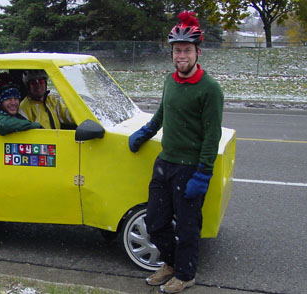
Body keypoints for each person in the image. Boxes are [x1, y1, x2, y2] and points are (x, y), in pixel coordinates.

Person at [128, 11, 223, 294]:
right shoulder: (170, 81)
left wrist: (203, 172)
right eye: (177, 50)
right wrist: (146, 131)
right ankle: (170, 263)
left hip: (190, 168)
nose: (182, 55)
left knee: (187, 227)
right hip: (165, 162)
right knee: (155, 222)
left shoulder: (210, 89)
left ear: (198, 52)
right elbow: (162, 113)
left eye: (187, 50)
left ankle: (186, 274)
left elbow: (212, 134)